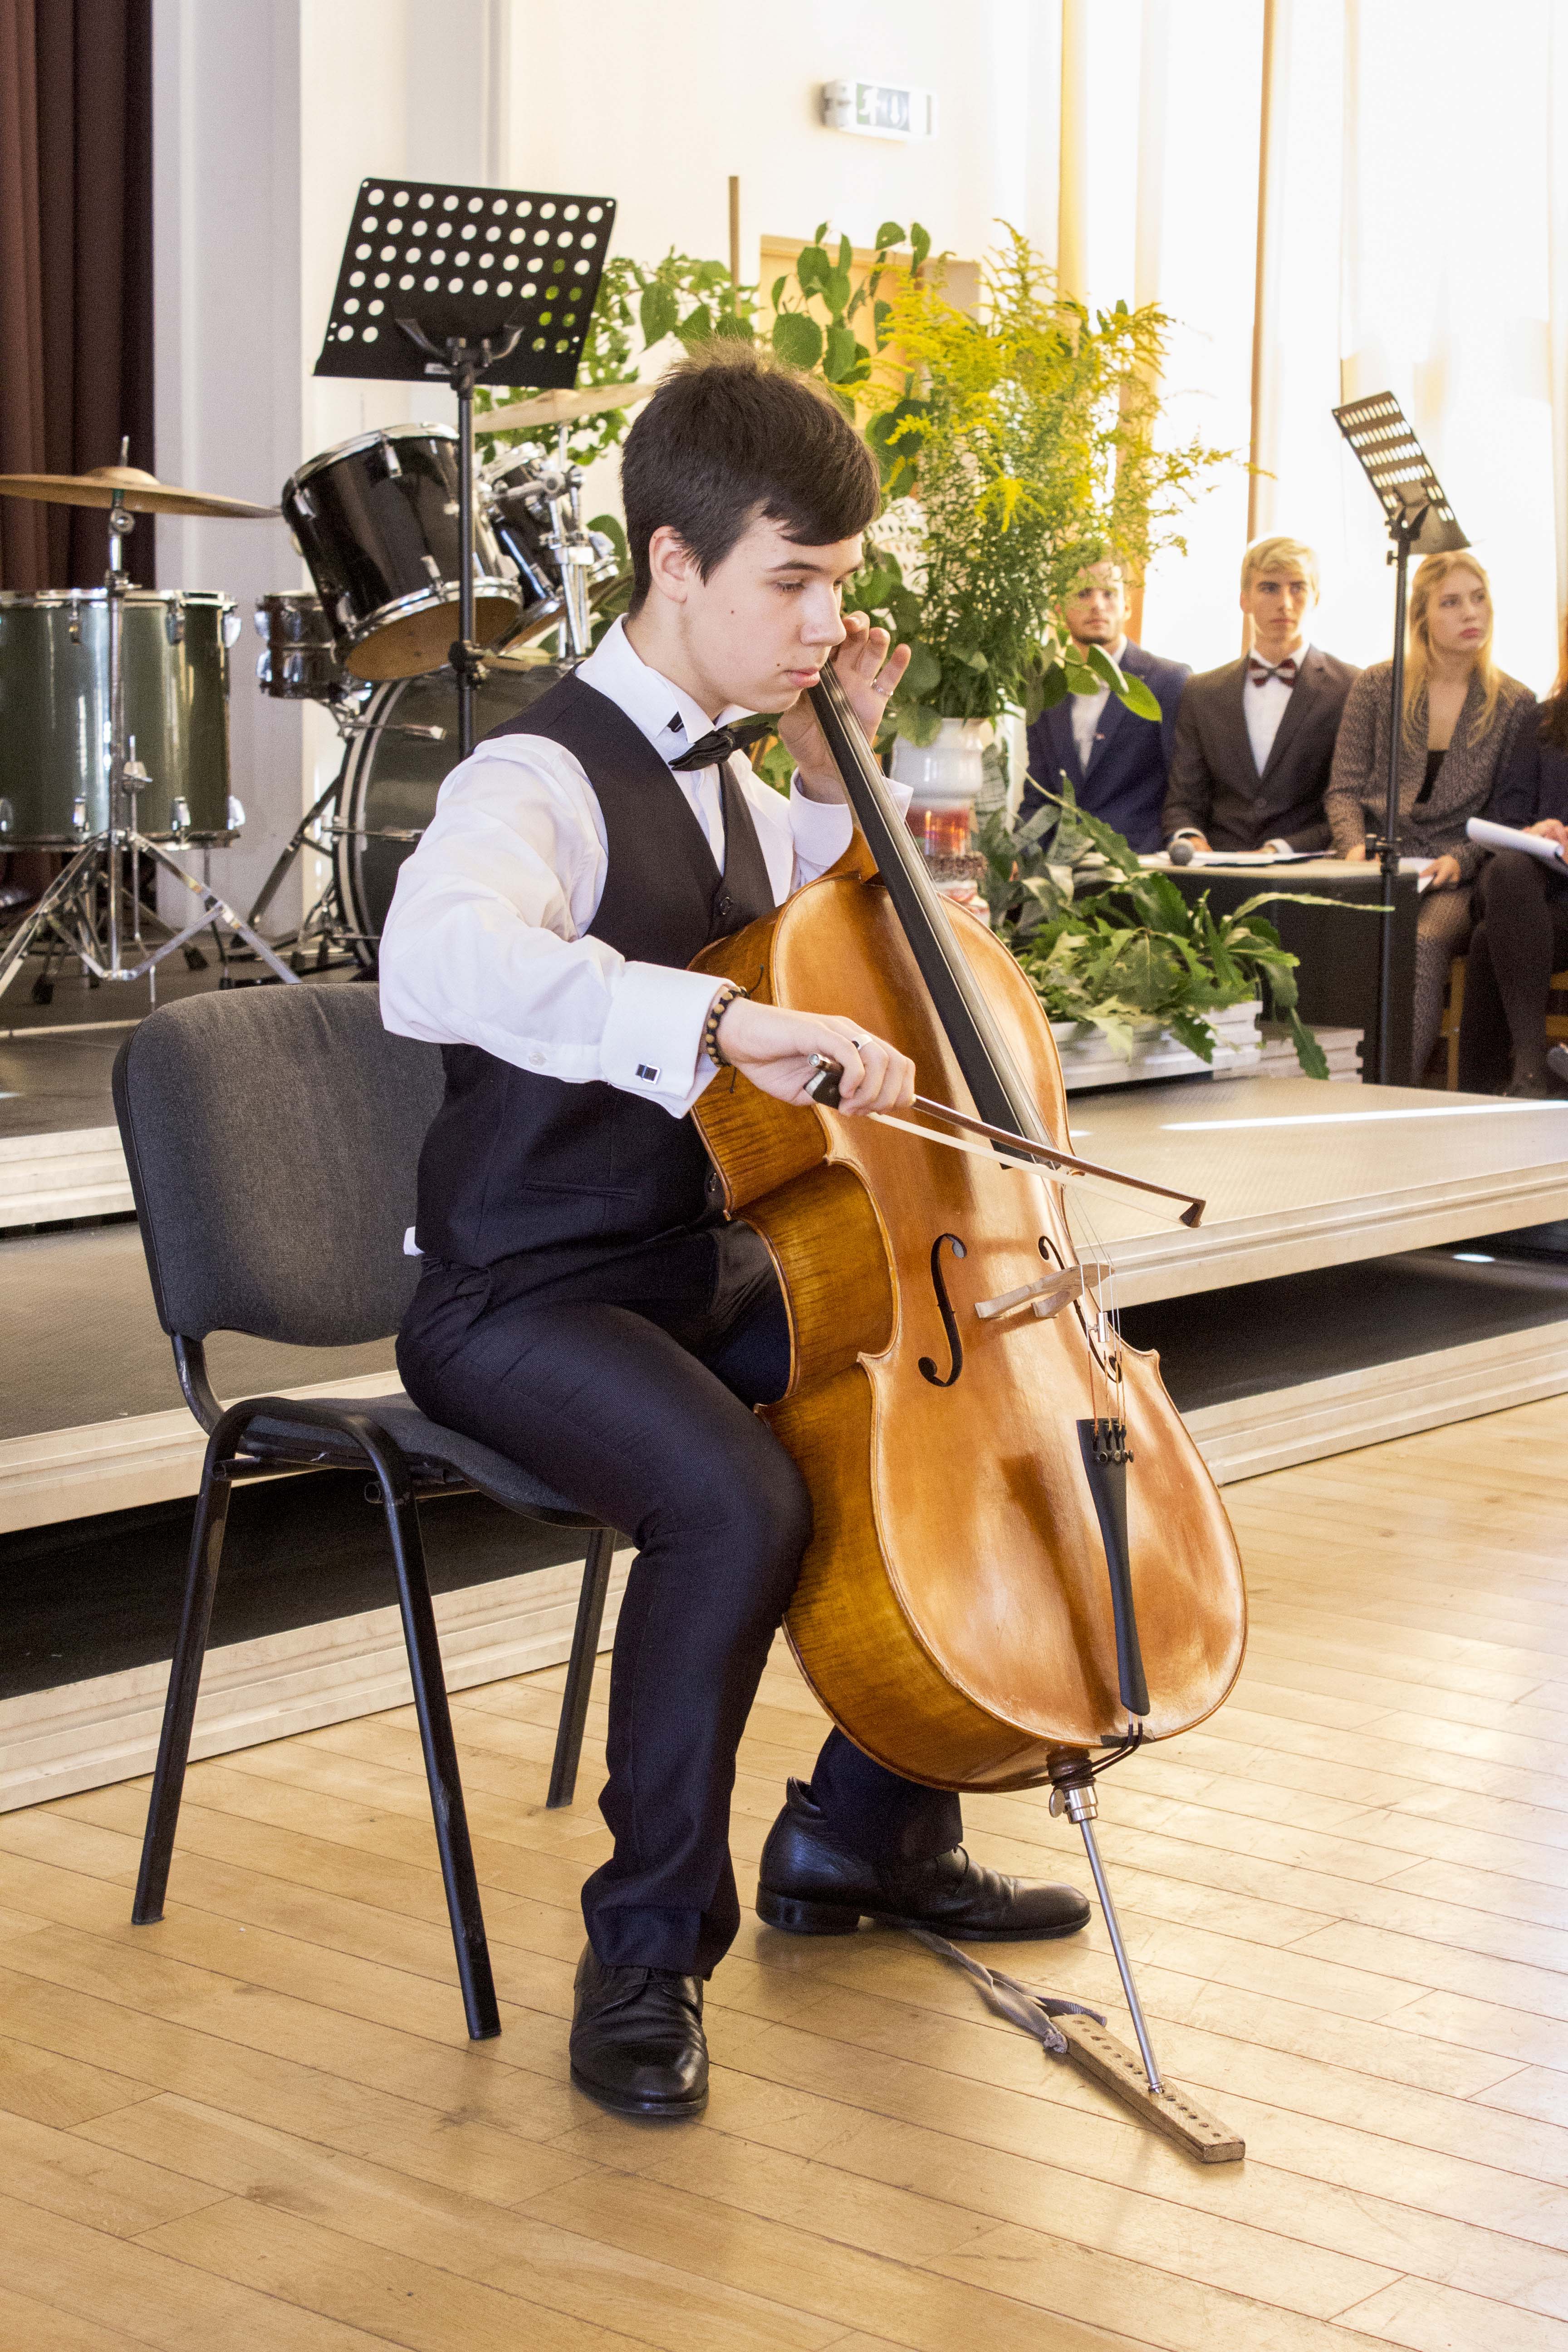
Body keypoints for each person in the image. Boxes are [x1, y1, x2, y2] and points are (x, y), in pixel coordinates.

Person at [378, 348, 1089, 2125]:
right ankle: (642, 1957)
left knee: (929, 1424)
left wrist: (838, 784)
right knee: (738, 1499)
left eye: (839, 583)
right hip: (516, 1293)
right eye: (792, 582)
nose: (822, 623)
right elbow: (436, 958)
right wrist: (712, 1023)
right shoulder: (529, 779)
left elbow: (809, 920)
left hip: (685, 1263)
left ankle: (863, 1834)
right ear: (673, 563)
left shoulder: (731, 773)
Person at [1326, 552, 1534, 1085]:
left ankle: (1395, 1089)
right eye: (1452, 603)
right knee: (1330, 930)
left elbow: (1506, 816)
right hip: (1370, 860)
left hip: (1452, 875)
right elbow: (1344, 789)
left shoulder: (1514, 702)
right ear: (1421, 616)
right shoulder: (1378, 685)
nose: (1472, 613)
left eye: (1479, 598)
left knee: (1422, 941)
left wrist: (1460, 859)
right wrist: (1353, 847)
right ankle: (1323, 1083)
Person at [1161, 536, 1358, 854]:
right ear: (1245, 600)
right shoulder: (1201, 692)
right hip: (1217, 867)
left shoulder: (1351, 687)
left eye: (1298, 587)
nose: (1285, 603)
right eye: (1269, 588)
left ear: (1316, 598)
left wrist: (1280, 849)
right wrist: (1191, 837)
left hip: (1308, 866)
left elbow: (1355, 804)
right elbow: (1183, 801)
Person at [1455, 639, 1568, 1096]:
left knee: (1489, 939)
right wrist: (1536, 831)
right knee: (1509, 872)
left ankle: (1504, 1086)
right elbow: (1505, 816)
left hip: (1549, 917)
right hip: (1529, 886)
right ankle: (1532, 1066)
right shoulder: (1540, 722)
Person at [1021, 557, 1189, 850]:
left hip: (1142, 861)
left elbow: (1183, 791)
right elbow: (1039, 793)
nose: (1097, 605)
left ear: (1127, 607)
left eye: (1109, 593)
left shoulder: (1169, 680)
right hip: (1058, 864)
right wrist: (1016, 853)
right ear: (1059, 609)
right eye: (1083, 593)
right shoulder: (1046, 688)